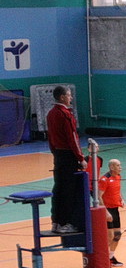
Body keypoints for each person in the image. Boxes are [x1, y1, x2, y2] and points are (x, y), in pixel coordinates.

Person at [46, 85, 86, 233]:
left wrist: (55, 152)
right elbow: (72, 138)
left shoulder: (51, 113)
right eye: (69, 95)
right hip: (68, 156)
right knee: (68, 191)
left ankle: (56, 222)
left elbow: (50, 136)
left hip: (58, 154)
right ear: (62, 97)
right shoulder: (65, 114)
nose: (71, 98)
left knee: (58, 188)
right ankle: (65, 223)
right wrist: (80, 158)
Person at [97, 159, 125, 268]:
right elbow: (99, 196)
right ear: (112, 167)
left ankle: (110, 257)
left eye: (120, 165)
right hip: (107, 210)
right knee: (109, 237)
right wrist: (106, 212)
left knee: (117, 235)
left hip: (115, 209)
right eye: (118, 165)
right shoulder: (104, 179)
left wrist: (121, 199)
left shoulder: (118, 176)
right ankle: (102, 261)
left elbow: (118, 190)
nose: (120, 167)